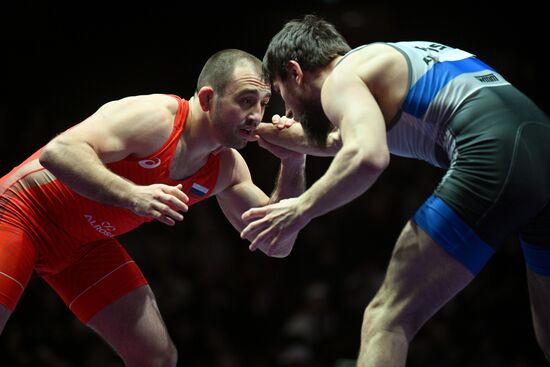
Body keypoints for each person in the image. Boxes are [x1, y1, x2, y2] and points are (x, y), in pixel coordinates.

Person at [240, 14, 550, 365]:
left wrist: (300, 209)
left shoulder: (340, 80)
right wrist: (271, 135)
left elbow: (368, 155)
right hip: (541, 141)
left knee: (387, 318)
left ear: (295, 72)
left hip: (495, 154)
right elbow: (340, 140)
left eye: (282, 96)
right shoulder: (378, 63)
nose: (289, 112)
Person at [0, 48, 306, 366]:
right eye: (245, 100)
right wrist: (134, 195)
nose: (256, 115)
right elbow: (58, 152)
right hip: (21, 213)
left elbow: (277, 243)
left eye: (263, 103)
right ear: (206, 99)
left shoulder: (227, 169)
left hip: (83, 247)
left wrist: (294, 160)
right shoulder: (156, 117)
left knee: (156, 359)